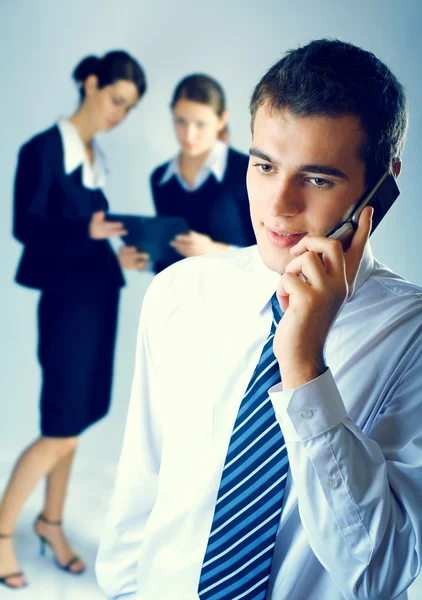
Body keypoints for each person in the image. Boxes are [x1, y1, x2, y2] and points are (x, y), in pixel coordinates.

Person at [96, 39, 422, 600]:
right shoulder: (180, 291)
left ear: (382, 186)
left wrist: (303, 368)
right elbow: (140, 499)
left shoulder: (412, 334)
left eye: (317, 179)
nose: (278, 205)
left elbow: (381, 575)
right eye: (264, 166)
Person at [0, 50, 148, 589]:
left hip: (99, 297)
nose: (119, 114)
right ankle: (1, 531)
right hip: (65, 305)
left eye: (128, 108)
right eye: (116, 100)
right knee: (60, 426)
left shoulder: (94, 155)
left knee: (78, 420)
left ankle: (51, 522)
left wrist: (119, 256)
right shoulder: (43, 149)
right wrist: (87, 235)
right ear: (90, 83)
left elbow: (88, 237)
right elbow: (25, 227)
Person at [150, 73, 256, 273]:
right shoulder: (160, 179)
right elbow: (171, 256)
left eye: (200, 124)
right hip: (181, 297)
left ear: (221, 119)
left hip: (233, 296)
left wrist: (212, 250)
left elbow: (264, 254)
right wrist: (146, 261)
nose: (189, 134)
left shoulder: (248, 171)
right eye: (181, 121)